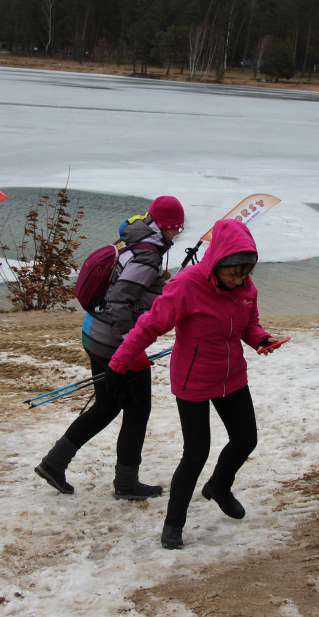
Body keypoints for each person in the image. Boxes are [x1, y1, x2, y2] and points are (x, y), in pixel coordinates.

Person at [107, 219, 282, 550]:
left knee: (246, 439)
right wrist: (118, 365)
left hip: (231, 375)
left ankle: (219, 486)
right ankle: (173, 525)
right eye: (234, 273)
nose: (240, 279)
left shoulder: (246, 289)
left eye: (246, 272)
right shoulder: (187, 285)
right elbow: (148, 326)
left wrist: (260, 338)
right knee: (196, 452)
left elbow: (250, 324)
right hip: (193, 379)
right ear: (217, 264)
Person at [35, 195, 185, 500]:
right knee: (137, 410)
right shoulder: (148, 254)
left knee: (107, 406)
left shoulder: (132, 237)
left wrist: (159, 283)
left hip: (94, 333)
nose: (177, 235)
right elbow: (120, 303)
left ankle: (54, 463)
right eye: (176, 230)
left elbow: (126, 285)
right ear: (167, 227)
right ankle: (126, 484)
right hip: (116, 343)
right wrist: (133, 348)